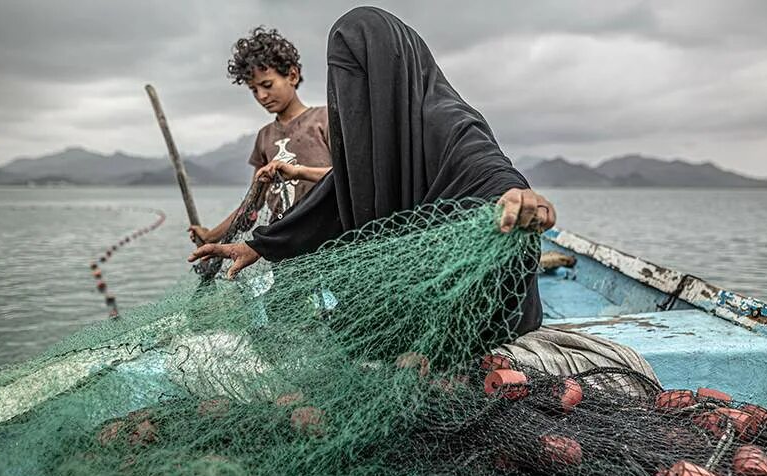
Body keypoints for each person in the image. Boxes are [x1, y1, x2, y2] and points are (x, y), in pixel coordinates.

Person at [189, 7, 556, 337]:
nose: (350, 94)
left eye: (360, 77)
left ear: (389, 69)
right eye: (342, 82)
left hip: (466, 303)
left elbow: (487, 169)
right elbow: (335, 194)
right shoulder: (367, 136)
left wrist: (517, 195)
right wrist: (260, 245)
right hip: (406, 295)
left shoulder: (446, 119)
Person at [188, 26, 332, 245]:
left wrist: (299, 172)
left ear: (292, 75)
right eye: (254, 90)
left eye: (267, 85)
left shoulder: (324, 119)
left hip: (327, 238)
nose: (262, 96)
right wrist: (211, 236)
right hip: (283, 244)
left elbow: (348, 178)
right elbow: (253, 204)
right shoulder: (265, 137)